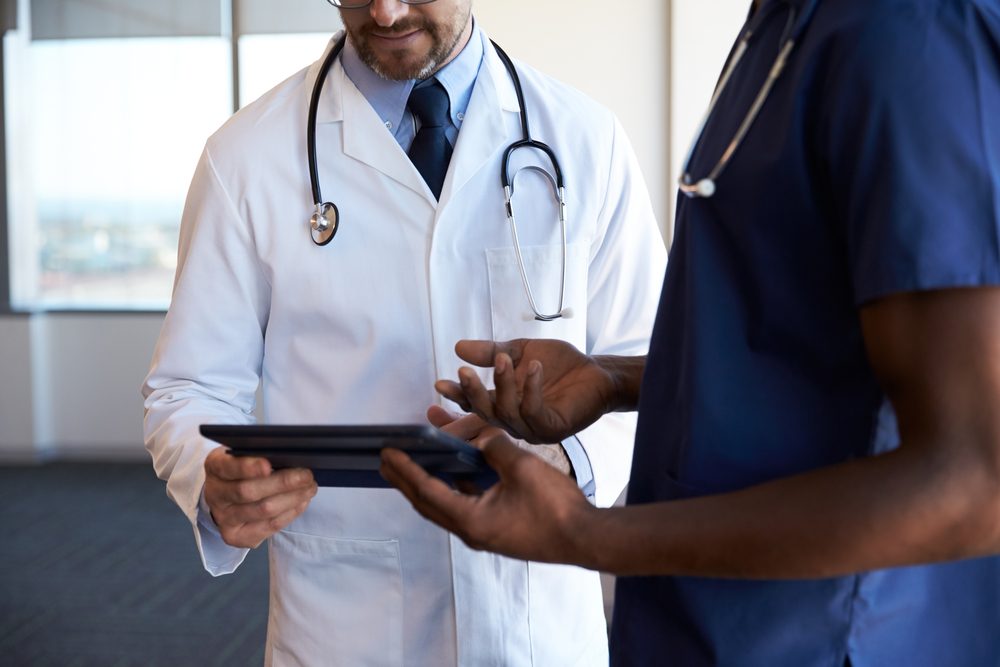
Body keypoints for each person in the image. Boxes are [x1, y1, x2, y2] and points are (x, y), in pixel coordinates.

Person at [380, 0, 1000, 665]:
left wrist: (587, 534)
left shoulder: (911, 29)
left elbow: (974, 481)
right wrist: (615, 379)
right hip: (706, 627)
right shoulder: (782, 24)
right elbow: (800, 343)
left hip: (819, 636)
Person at [141, 0, 667, 664]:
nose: (385, 12)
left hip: (537, 623)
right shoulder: (246, 158)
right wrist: (211, 477)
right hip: (345, 623)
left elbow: (650, 365)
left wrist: (568, 463)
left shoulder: (586, 139)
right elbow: (188, 386)